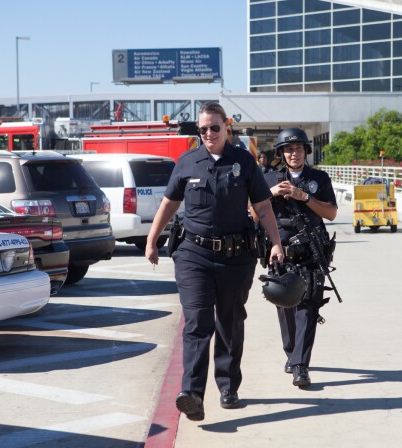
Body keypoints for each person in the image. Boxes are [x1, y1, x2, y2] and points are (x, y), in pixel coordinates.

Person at [145, 102, 284, 421]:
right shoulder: (187, 161)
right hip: (193, 254)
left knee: (230, 322)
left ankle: (227, 386)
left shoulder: (244, 162)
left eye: (214, 127)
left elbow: (263, 206)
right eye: (202, 128)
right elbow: (169, 203)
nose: (208, 133)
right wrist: (152, 239)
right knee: (197, 321)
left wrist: (276, 243)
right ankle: (192, 392)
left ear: (227, 127)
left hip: (236, 257)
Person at [262, 127, 338, 388]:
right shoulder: (269, 178)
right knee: (285, 305)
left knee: (307, 306)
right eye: (288, 149)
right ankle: (292, 353)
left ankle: (300, 365)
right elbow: (251, 212)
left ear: (306, 150)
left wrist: (303, 196)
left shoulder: (319, 178)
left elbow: (331, 214)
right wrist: (270, 194)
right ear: (281, 153)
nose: (293, 153)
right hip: (279, 250)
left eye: (297, 148)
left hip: (311, 251)